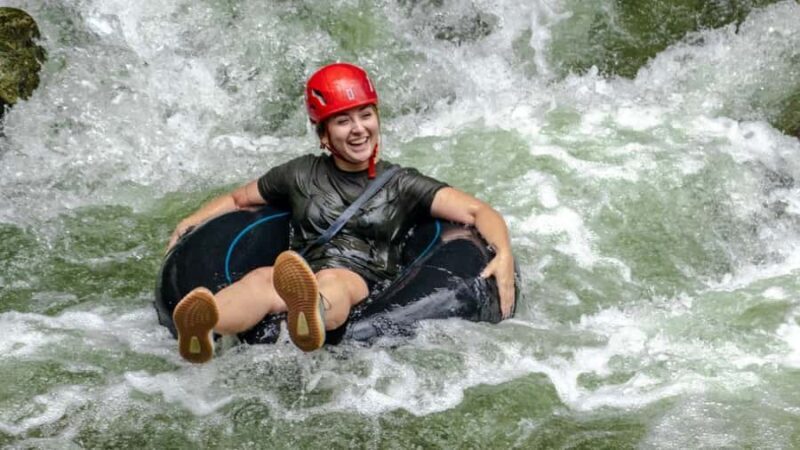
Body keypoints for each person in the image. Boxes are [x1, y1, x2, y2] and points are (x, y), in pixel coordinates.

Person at [168, 62, 515, 363]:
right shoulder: (299, 173)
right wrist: (193, 220)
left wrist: (503, 253)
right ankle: (204, 321)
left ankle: (311, 315)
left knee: (334, 282)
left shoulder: (402, 184)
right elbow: (239, 200)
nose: (358, 129)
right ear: (323, 134)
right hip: (299, 276)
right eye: (343, 121)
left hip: (361, 281)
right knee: (260, 279)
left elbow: (477, 211)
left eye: (366, 115)